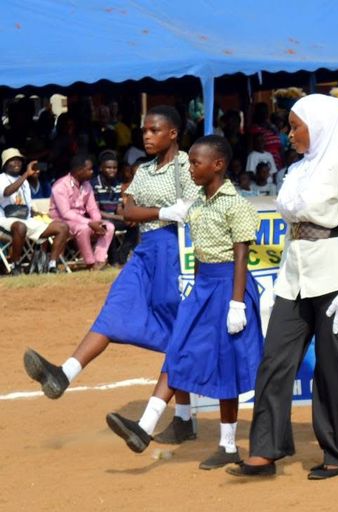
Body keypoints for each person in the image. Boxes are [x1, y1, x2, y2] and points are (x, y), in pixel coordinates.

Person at [22, 106, 197, 438]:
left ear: (173, 133)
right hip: (146, 249)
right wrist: (163, 210)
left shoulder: (188, 165)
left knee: (179, 332)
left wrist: (179, 213)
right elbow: (127, 210)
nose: (146, 136)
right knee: (115, 307)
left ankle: (182, 419)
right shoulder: (144, 169)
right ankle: (64, 374)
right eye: (144, 130)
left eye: (154, 130)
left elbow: (196, 206)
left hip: (176, 252)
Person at [228, 94, 338, 480]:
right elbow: (294, 229)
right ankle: (265, 449)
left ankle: (337, 454)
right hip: (294, 279)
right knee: (275, 360)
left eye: (296, 126)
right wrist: (281, 280)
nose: (289, 133)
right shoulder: (296, 171)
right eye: (290, 126)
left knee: (331, 368)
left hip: (336, 279)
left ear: (321, 126)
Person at [104, 135, 263, 470]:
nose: (190, 169)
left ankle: (229, 445)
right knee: (178, 349)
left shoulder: (237, 206)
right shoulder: (198, 206)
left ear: (217, 165)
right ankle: (145, 426)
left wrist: (237, 304)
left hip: (228, 289)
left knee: (227, 365)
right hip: (203, 288)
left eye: (195, 163)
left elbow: (241, 258)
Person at [1, 150, 70, 272]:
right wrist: (26, 174)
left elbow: (26, 205)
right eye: (13, 160)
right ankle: (15, 265)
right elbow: (7, 192)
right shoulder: (2, 178)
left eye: (19, 160)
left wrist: (38, 215)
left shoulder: (25, 182)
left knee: (62, 227)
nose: (17, 162)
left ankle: (52, 264)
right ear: (6, 164)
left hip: (25, 219)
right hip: (5, 219)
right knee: (20, 227)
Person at [50, 153, 115, 271]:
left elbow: (92, 208)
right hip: (61, 223)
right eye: (89, 169)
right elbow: (66, 213)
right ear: (79, 170)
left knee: (109, 226)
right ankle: (90, 262)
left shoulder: (86, 185)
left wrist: (97, 222)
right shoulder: (60, 186)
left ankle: (99, 260)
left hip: (81, 220)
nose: (92, 172)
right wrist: (90, 223)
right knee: (83, 228)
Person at [92, 150, 134, 264]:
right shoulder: (94, 184)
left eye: (115, 168)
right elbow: (95, 211)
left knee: (134, 224)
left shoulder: (117, 184)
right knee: (110, 226)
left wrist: (126, 216)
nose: (112, 170)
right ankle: (113, 260)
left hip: (113, 218)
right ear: (101, 168)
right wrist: (120, 218)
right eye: (109, 168)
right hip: (99, 220)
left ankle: (122, 257)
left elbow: (118, 207)